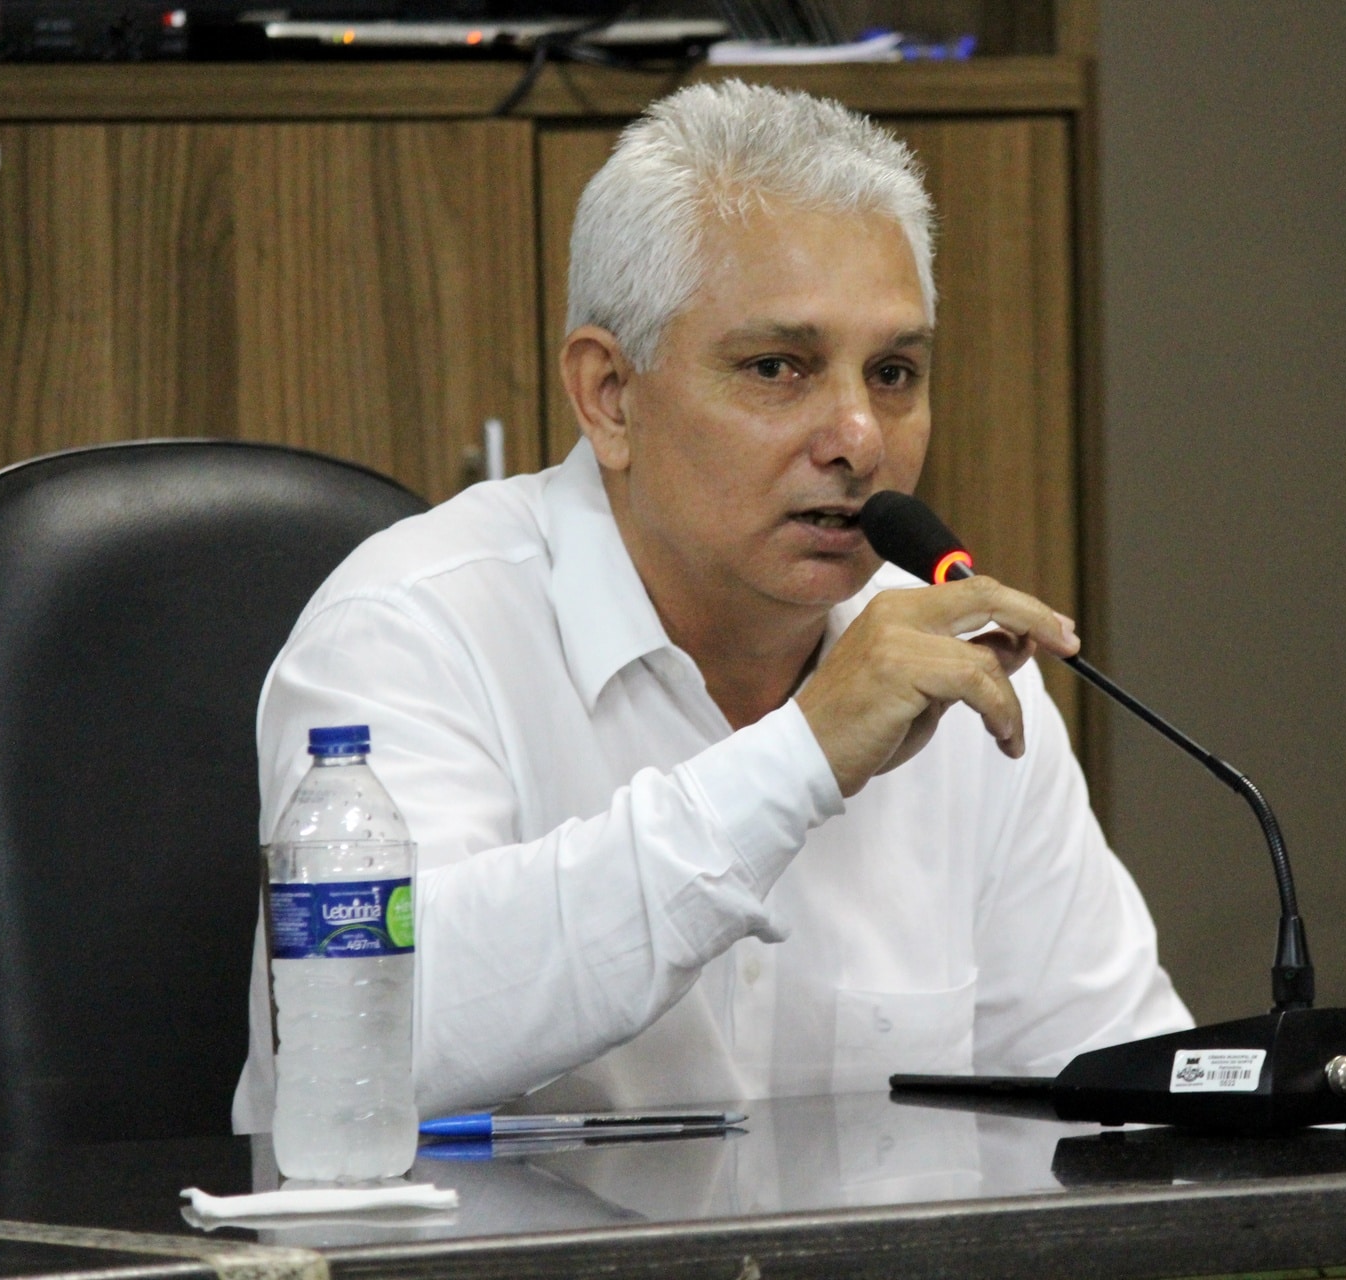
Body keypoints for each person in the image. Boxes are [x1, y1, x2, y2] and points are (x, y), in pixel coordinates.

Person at [233, 80, 1188, 1132]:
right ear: (610, 395)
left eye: (894, 372)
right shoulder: (407, 629)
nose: (859, 438)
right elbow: (374, 1040)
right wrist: (800, 759)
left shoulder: (958, 677)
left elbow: (1117, 1094)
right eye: (779, 367)